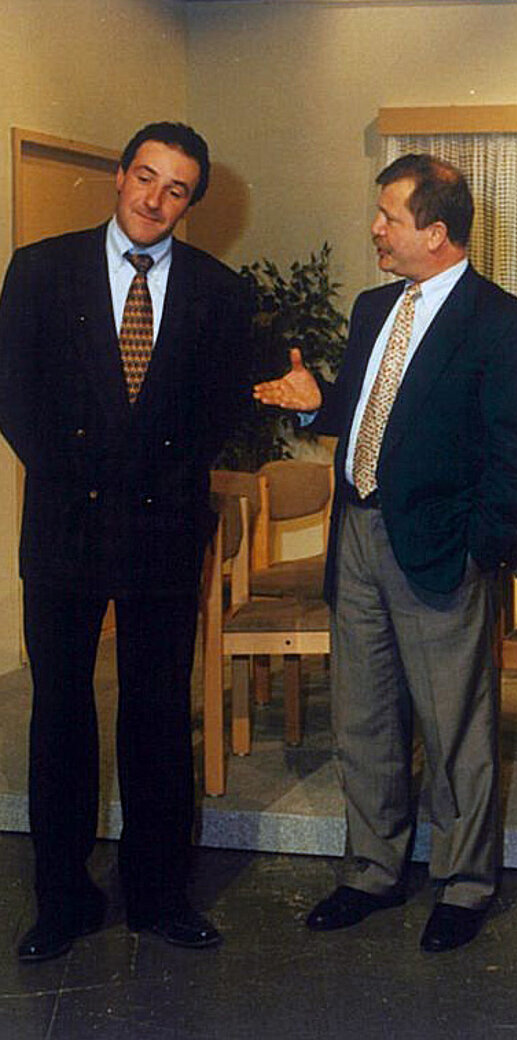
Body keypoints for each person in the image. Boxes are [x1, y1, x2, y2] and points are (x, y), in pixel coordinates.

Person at [253, 154, 517, 953]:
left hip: (442, 550)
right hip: (356, 535)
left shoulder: (506, 325)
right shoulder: (372, 307)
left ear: (437, 233)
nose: (375, 228)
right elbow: (370, 413)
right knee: (363, 717)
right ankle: (371, 872)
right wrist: (319, 405)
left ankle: (464, 884)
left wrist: (478, 553)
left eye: (390, 216)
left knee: (455, 729)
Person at [0, 122, 252, 961]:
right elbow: (15, 396)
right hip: (65, 525)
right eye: (145, 177)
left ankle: (158, 895)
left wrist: (155, 480)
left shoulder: (220, 291)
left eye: (176, 189)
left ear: (191, 202)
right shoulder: (41, 270)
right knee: (60, 715)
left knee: (157, 715)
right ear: (119, 175)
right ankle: (61, 900)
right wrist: (83, 474)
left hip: (162, 529)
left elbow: (220, 413)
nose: (154, 199)